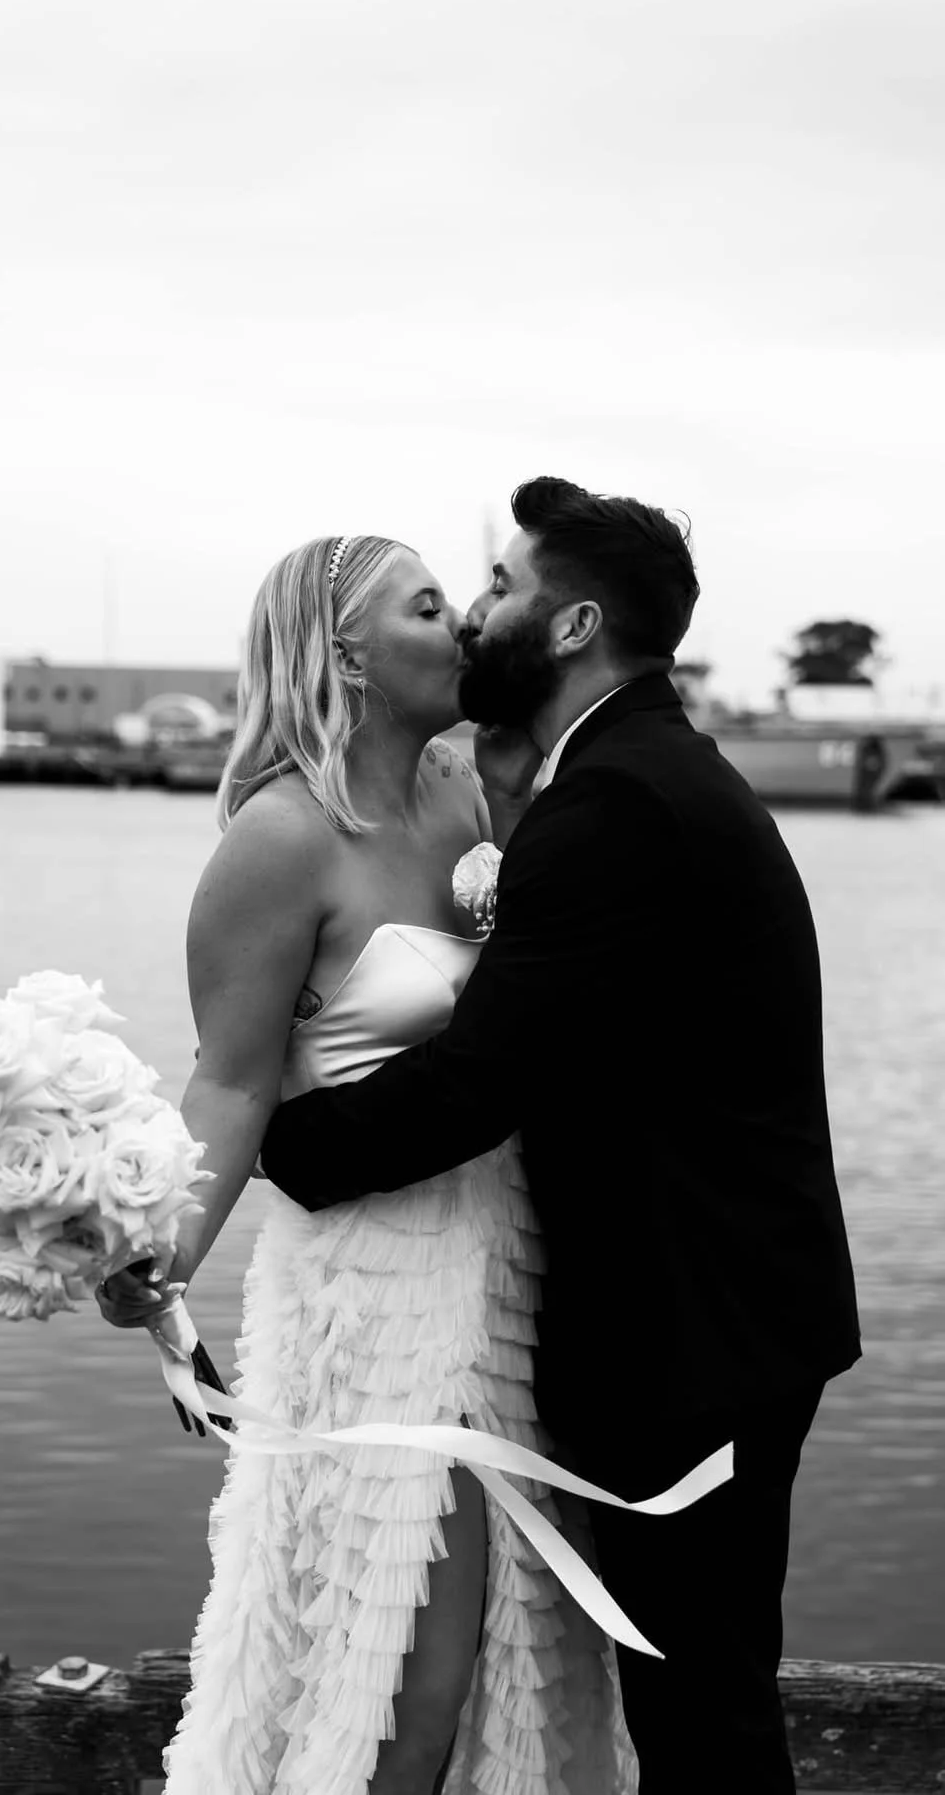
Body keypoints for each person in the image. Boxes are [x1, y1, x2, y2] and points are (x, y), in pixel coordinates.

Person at [259, 477, 863, 1795]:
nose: (478, 618)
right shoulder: (620, 775)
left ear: (574, 621)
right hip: (719, 1318)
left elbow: (486, 1078)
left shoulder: (620, 803)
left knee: (701, 1711)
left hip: (693, 1336)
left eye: (499, 591)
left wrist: (278, 1142)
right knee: (692, 1691)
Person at [96, 529, 635, 1795]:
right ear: (340, 651)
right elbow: (228, 1081)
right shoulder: (280, 839)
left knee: (520, 1647)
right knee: (406, 1665)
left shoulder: (475, 793)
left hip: (509, 1261)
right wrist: (161, 1260)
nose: (463, 628)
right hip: (371, 1285)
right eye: (429, 606)